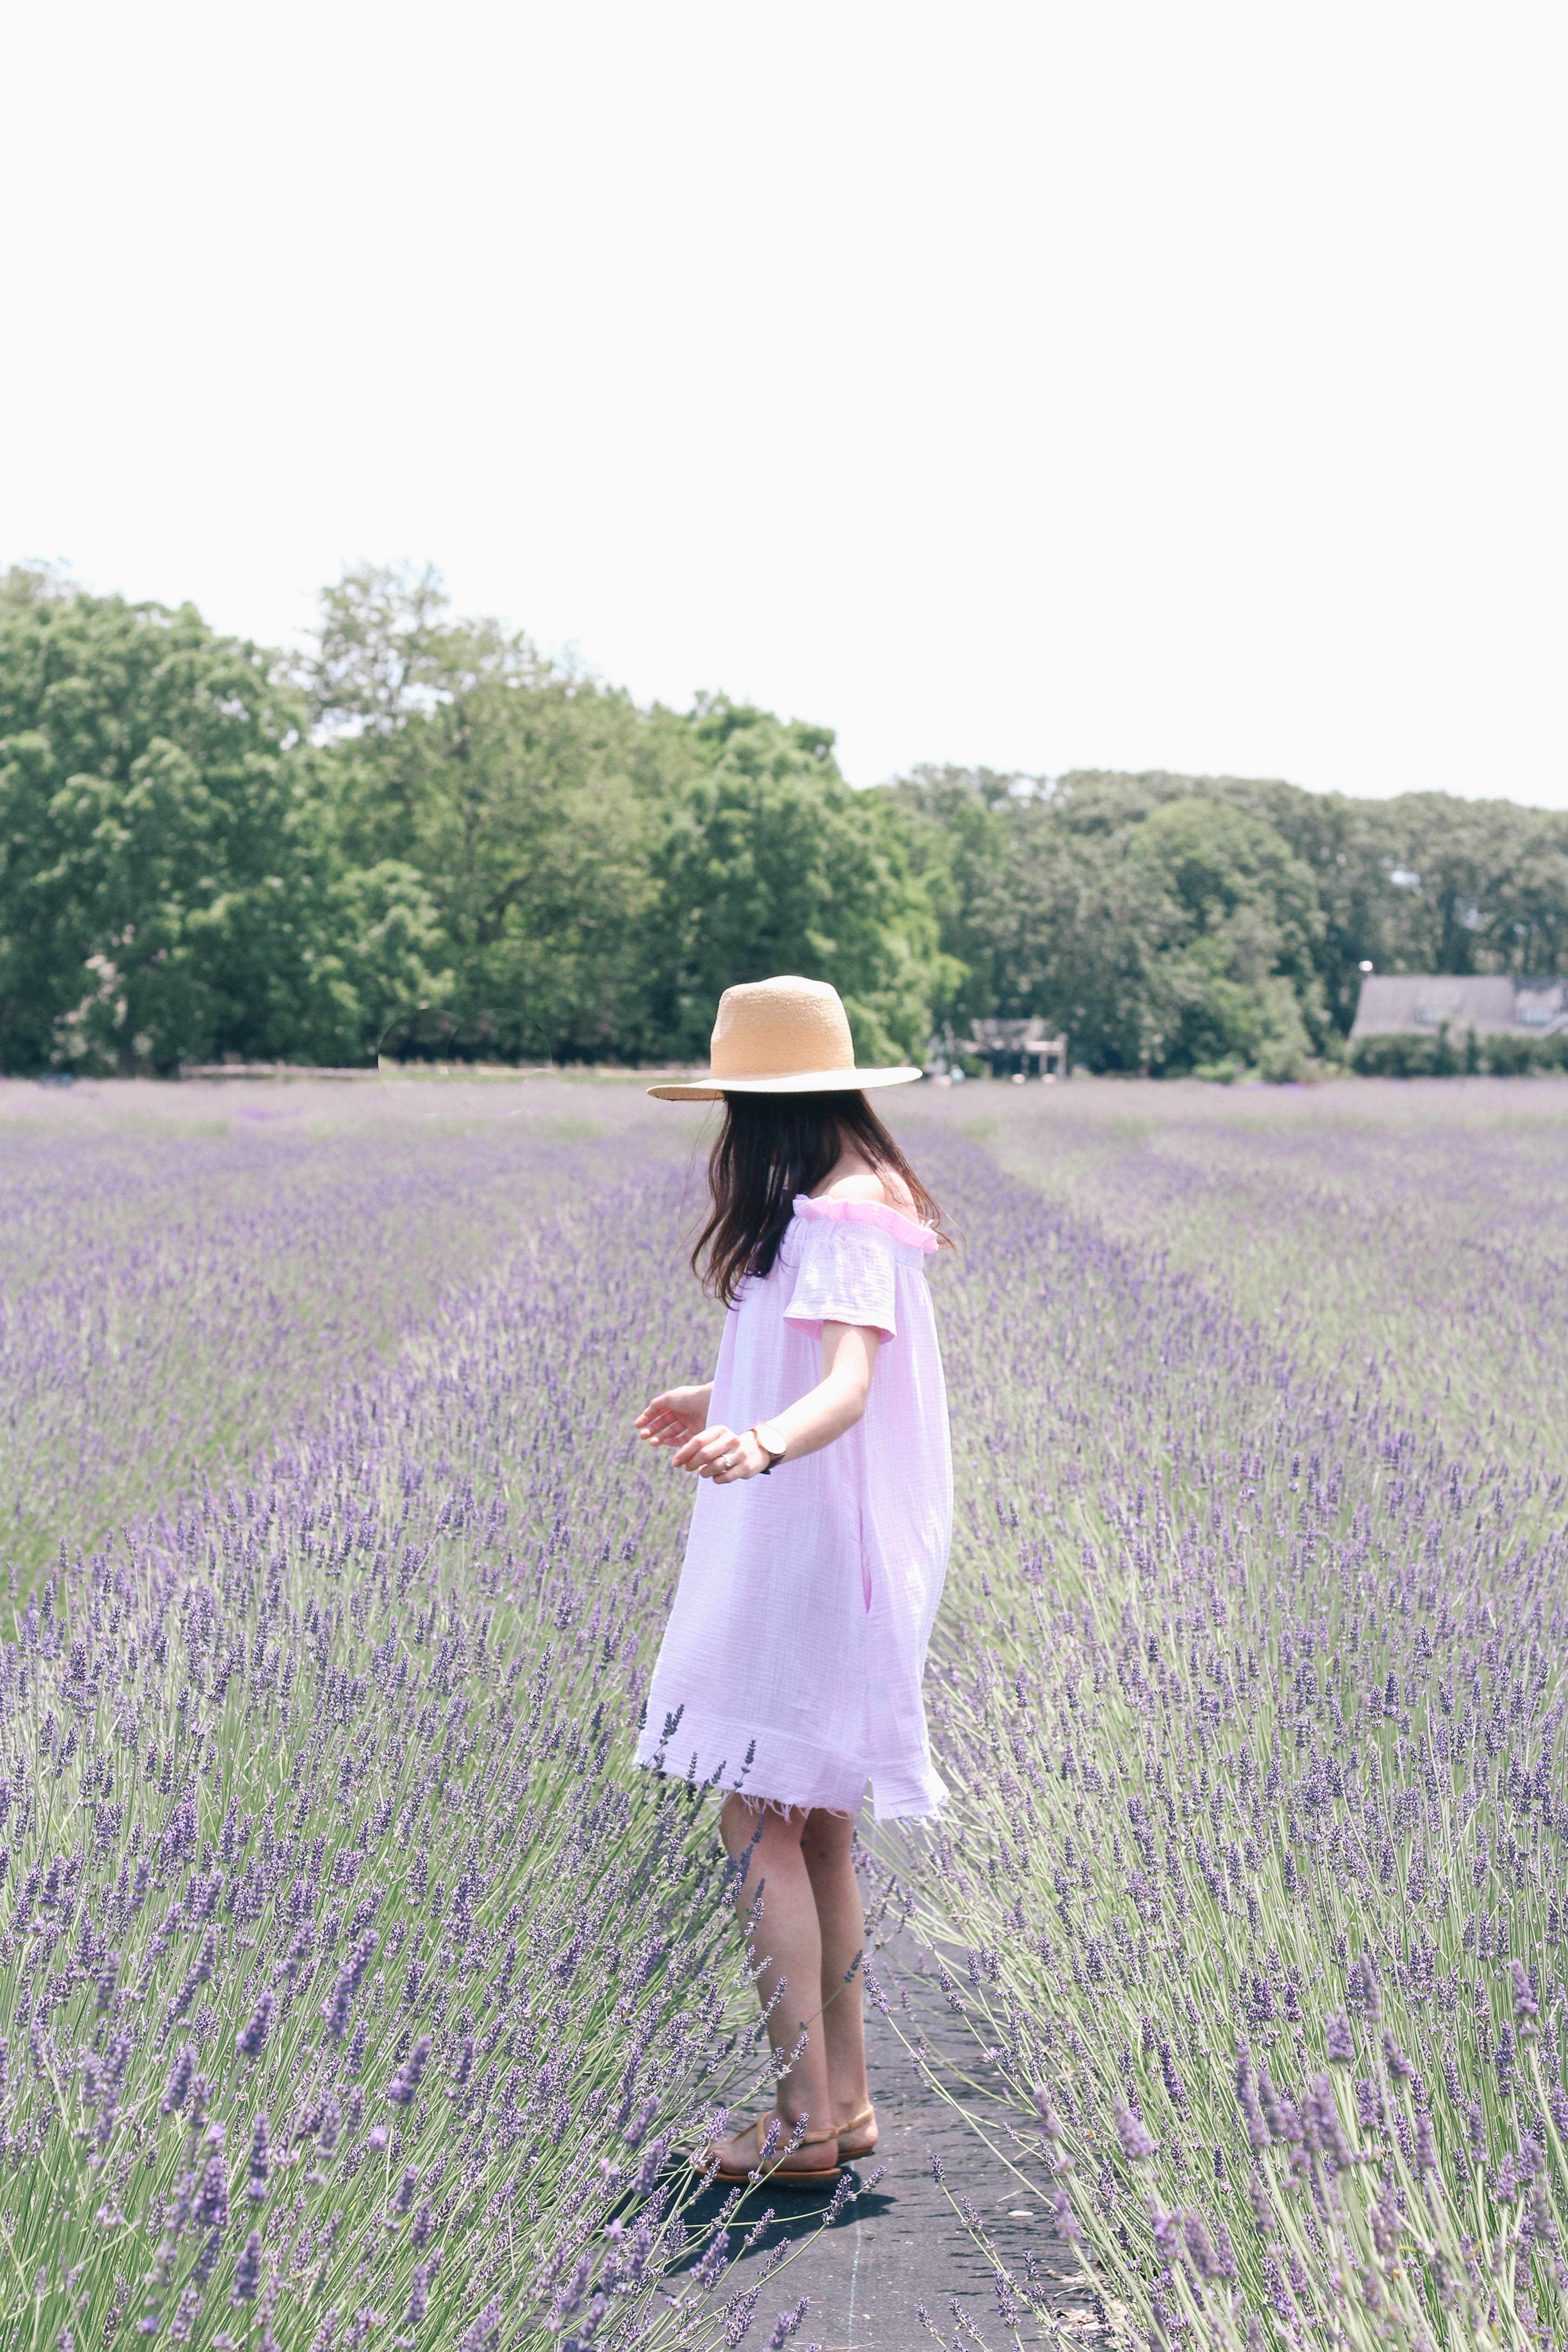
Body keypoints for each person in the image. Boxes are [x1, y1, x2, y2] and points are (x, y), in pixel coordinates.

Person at [633, 974, 953, 2185]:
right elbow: (806, 1360)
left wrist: (760, 1441)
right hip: (811, 1535)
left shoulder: (850, 1210)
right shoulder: (843, 1201)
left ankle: (803, 2120)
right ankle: (844, 2102)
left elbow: (852, 1387)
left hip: (812, 1543)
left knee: (751, 1812)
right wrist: (719, 1398)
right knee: (808, 1816)